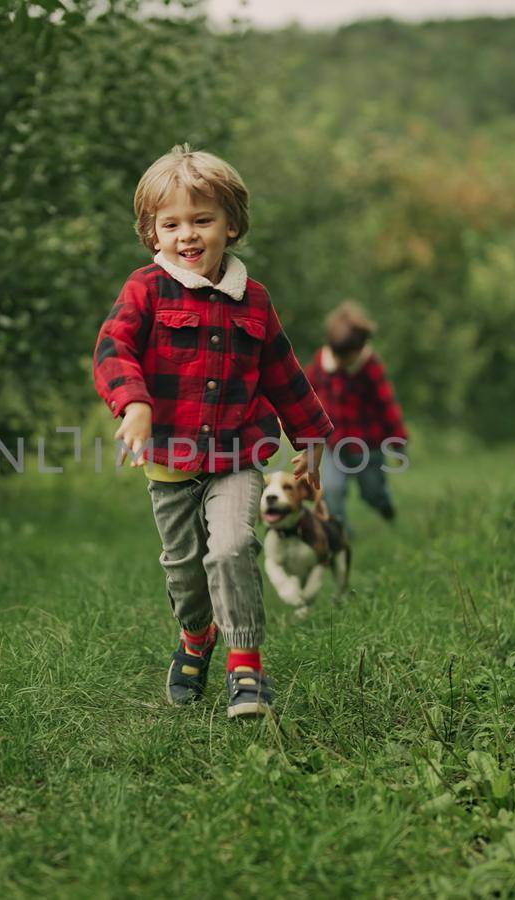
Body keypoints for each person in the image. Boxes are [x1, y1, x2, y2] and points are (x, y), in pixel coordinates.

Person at [92, 145, 332, 719]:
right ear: (152, 233)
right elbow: (113, 347)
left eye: (203, 220)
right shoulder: (146, 289)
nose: (188, 235)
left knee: (231, 548)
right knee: (185, 570)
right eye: (170, 223)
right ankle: (196, 637)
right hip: (170, 458)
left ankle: (245, 666)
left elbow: (283, 371)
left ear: (232, 224)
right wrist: (134, 404)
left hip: (237, 452)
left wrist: (312, 437)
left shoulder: (254, 300)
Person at [304, 301, 407, 537]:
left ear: (361, 349)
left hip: (367, 445)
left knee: (372, 492)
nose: (342, 362)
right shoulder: (322, 363)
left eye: (348, 357)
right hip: (331, 443)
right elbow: (305, 391)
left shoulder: (370, 367)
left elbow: (386, 405)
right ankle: (341, 536)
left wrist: (398, 441)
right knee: (331, 490)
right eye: (339, 356)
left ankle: (385, 507)